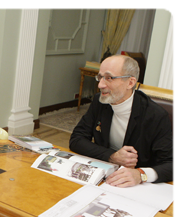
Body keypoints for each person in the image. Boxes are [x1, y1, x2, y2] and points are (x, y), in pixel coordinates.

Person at [70, 54, 176, 188]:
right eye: (100, 77)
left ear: (130, 82)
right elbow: (76, 139)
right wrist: (112, 156)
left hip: (136, 187)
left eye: (109, 78)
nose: (101, 84)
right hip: (103, 178)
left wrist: (141, 174)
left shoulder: (156, 115)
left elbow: (173, 164)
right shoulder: (100, 101)